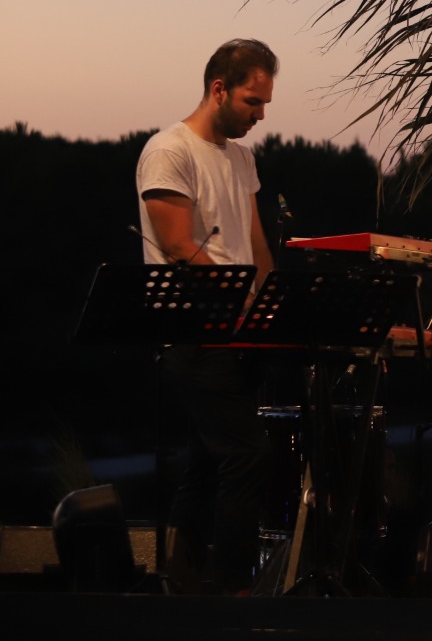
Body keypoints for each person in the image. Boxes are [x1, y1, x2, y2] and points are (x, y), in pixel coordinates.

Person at [137, 38, 278, 594]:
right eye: (252, 101)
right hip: (192, 329)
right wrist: (239, 299)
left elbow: (255, 243)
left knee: (206, 460)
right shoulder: (168, 150)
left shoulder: (242, 157)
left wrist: (269, 306)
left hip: (237, 331)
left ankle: (186, 580)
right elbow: (176, 245)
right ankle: (231, 589)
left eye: (265, 103)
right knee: (247, 455)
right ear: (219, 88)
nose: (260, 115)